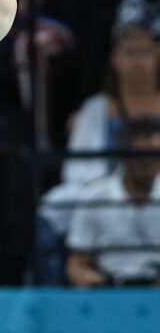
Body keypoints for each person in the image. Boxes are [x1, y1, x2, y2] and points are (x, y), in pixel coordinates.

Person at [67, 118, 160, 288]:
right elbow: (76, 265)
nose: (150, 166)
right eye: (142, 158)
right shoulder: (95, 197)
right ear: (124, 157)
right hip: (111, 290)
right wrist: (89, 279)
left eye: (156, 157)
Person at [64, 22, 160, 185]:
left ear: (157, 55)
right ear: (114, 58)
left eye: (145, 51)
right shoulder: (94, 109)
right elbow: (75, 171)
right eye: (130, 52)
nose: (137, 60)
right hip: (105, 198)